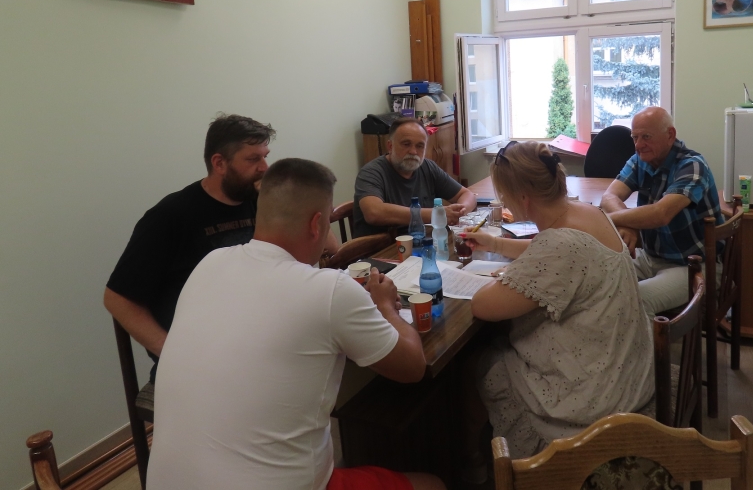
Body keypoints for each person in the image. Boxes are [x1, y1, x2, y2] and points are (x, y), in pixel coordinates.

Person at [147, 158, 443, 490]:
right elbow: (412, 368)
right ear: (317, 224)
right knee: (432, 484)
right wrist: (386, 306)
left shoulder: (209, 263)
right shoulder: (330, 289)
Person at [104, 114, 340, 381]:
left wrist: (297, 202)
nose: (264, 168)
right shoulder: (170, 216)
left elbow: (329, 248)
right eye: (253, 159)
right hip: (201, 357)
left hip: (260, 338)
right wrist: (171, 353)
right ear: (219, 163)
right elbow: (117, 298)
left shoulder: (262, 200)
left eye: (265, 157)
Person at [462, 140, 653, 460]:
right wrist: (496, 244)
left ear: (523, 198)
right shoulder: (587, 212)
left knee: (476, 364)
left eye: (504, 196)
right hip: (625, 371)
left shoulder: (559, 246)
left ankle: (474, 465)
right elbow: (549, 249)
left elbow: (482, 305)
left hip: (593, 398)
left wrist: (506, 275)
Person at [600, 106, 723, 316]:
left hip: (695, 265)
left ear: (670, 135)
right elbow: (609, 197)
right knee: (595, 281)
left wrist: (608, 219)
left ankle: (643, 340)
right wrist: (628, 225)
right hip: (650, 257)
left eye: (646, 137)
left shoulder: (693, 166)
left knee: (636, 300)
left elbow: (661, 214)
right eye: (635, 137)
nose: (638, 145)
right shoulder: (640, 160)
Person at [353, 117, 476, 237]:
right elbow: (374, 212)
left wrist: (459, 212)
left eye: (420, 146)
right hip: (383, 247)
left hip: (421, 241)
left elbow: (467, 194)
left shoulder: (428, 167)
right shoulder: (371, 173)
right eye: (406, 144)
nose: (413, 151)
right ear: (390, 146)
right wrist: (436, 214)